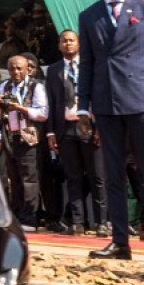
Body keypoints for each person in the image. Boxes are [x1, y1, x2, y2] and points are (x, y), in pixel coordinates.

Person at [76, 0, 144, 263]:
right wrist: (82, 108)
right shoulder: (89, 16)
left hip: (143, 103)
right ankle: (120, 242)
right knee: (113, 176)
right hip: (106, 105)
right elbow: (87, 66)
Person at [45, 31, 106, 236]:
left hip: (89, 126)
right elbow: (52, 103)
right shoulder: (53, 70)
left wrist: (99, 127)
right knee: (73, 177)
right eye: (64, 41)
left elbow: (100, 96)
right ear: (59, 45)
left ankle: (101, 222)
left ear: (79, 43)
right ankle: (78, 222)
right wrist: (51, 132)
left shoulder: (91, 66)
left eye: (72, 40)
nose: (68, 43)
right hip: (66, 128)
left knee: (97, 176)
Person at [0, 54, 48, 230]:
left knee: (29, 178)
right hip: (10, 136)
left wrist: (20, 108)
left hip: (29, 137)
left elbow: (42, 113)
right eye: (12, 68)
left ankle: (30, 218)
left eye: (19, 68)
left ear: (27, 69)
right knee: (15, 178)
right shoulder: (4, 86)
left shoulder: (36, 86)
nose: (16, 71)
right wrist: (0, 106)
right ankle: (18, 215)